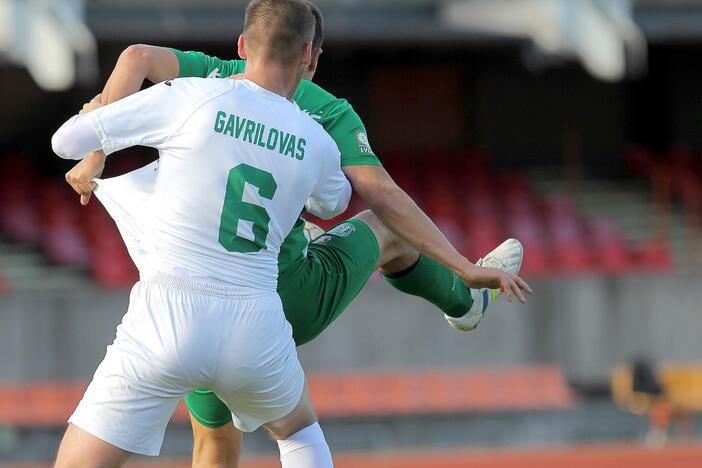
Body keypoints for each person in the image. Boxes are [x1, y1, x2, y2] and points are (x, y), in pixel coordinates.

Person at [62, 2, 532, 465]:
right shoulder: (326, 114)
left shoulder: (204, 81)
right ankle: (463, 300)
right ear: (311, 56)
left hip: (177, 309)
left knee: (214, 443)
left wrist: (99, 146)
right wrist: (464, 266)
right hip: (270, 304)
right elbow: (379, 198)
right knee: (387, 229)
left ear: (244, 44)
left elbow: (135, 58)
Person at [50, 1, 350, 466]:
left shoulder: (190, 95)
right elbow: (335, 202)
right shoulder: (316, 139)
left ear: (241, 46)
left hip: (168, 314)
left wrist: (98, 124)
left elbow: (66, 142)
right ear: (310, 56)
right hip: (256, 320)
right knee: (298, 434)